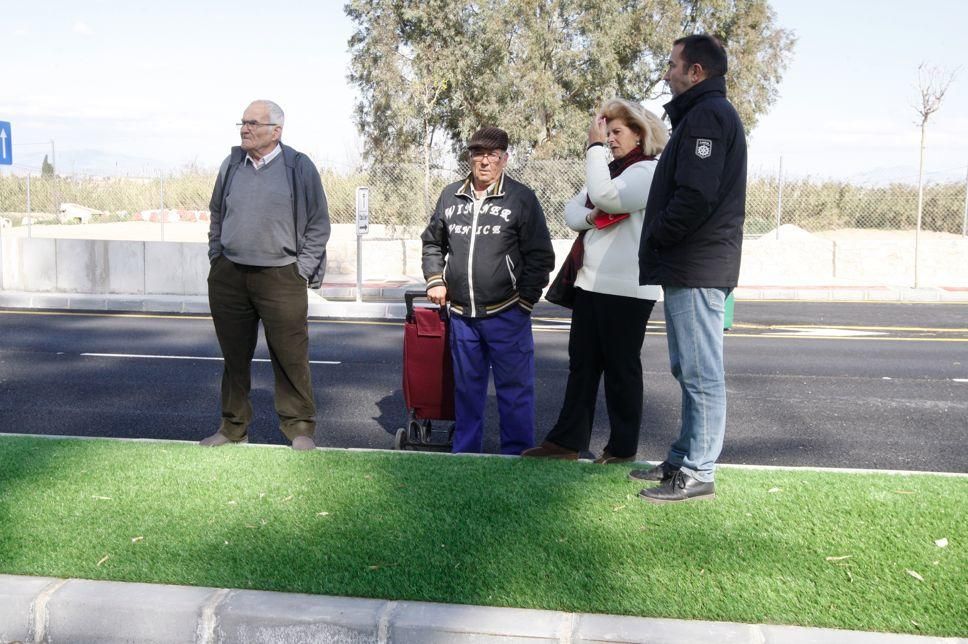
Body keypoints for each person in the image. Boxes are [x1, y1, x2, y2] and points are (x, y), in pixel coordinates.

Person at [633, 34, 747, 502]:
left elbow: (695, 196)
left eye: (672, 65)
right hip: (690, 265)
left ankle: (698, 471)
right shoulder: (701, 115)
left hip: (697, 265)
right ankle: (683, 458)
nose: (666, 73)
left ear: (695, 71)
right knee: (688, 368)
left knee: (701, 372)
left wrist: (658, 232)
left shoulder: (707, 116)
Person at [522, 100, 668, 464]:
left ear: (640, 135)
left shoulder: (648, 172)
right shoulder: (615, 172)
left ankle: (622, 449)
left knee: (621, 369)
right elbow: (573, 212)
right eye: (607, 132)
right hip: (591, 285)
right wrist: (593, 213)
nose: (610, 139)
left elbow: (604, 196)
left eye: (617, 132)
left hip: (628, 290)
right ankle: (566, 442)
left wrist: (593, 148)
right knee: (582, 366)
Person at [200, 100, 331, 451]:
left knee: (290, 356)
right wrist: (217, 255)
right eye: (242, 122)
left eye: (253, 123)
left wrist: (300, 270)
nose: (245, 129)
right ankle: (232, 427)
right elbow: (216, 213)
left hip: (282, 277)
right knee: (234, 357)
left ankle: (299, 428)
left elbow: (319, 223)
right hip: (230, 275)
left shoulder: (298, 167)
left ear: (276, 131)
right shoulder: (231, 165)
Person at [421, 127, 555, 455]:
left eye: (493, 154)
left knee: (515, 392)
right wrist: (435, 278)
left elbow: (540, 254)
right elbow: (432, 242)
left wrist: (525, 300)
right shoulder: (450, 195)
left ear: (505, 158)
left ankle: (516, 457)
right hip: (462, 317)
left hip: (507, 313)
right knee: (467, 392)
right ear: (469, 157)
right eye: (477, 153)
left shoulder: (521, 198)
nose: (484, 161)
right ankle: (465, 456)